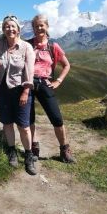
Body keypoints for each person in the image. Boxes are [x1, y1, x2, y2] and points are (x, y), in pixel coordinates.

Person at [0, 15, 37, 175]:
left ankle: (28, 155)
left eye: (13, 26)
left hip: (21, 91)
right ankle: (12, 151)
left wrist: (26, 91)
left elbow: (29, 72)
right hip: (2, 90)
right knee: (7, 123)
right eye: (7, 26)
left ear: (18, 29)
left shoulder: (26, 47)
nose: (10, 29)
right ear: (3, 29)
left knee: (24, 126)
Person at [28, 14, 75, 163]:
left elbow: (66, 65)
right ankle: (34, 147)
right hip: (27, 83)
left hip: (45, 83)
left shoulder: (53, 46)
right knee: (29, 119)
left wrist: (58, 80)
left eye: (42, 25)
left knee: (57, 119)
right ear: (33, 28)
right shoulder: (27, 45)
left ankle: (64, 149)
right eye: (36, 26)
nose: (39, 28)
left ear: (47, 26)